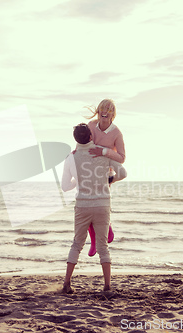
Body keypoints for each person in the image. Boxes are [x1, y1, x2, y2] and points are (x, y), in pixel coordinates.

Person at [61, 123, 127, 293]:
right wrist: (108, 180)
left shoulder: (71, 157)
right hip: (102, 204)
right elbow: (123, 173)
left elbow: (65, 186)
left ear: (76, 139)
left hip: (82, 205)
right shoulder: (102, 152)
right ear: (90, 136)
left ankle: (67, 284)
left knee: (77, 244)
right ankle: (107, 286)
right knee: (103, 246)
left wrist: (80, 180)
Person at [85, 99, 126, 257]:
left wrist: (103, 151)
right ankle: (94, 240)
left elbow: (122, 158)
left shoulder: (116, 133)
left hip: (104, 175)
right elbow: (84, 145)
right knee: (85, 208)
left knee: (100, 209)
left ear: (113, 114)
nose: (105, 111)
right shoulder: (90, 126)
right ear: (98, 110)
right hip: (88, 172)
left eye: (109, 110)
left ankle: (108, 229)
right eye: (102, 108)